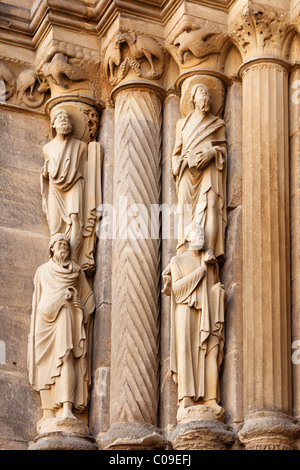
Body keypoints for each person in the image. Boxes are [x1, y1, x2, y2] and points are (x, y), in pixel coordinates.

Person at [27, 233, 95, 423]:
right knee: (49, 364)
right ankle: (48, 410)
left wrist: (81, 307)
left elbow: (88, 298)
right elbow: (40, 301)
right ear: (52, 248)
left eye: (66, 243)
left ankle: (67, 408)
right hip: (47, 322)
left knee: (66, 359)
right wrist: (60, 299)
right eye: (59, 243)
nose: (63, 246)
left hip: (68, 319)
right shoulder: (43, 271)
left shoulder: (76, 271)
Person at [162, 233, 226, 414]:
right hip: (186, 310)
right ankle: (187, 397)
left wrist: (218, 291)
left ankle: (211, 398)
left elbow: (213, 286)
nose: (200, 237)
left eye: (202, 234)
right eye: (195, 234)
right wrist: (200, 271)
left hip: (208, 311)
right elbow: (177, 289)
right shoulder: (178, 260)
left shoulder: (210, 263)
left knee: (210, 351)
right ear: (188, 238)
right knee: (186, 351)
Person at [172, 83, 227, 263]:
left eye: (208, 93)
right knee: (185, 208)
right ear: (193, 99)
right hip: (187, 170)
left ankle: (210, 248)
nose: (206, 95)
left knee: (211, 205)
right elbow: (176, 152)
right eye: (201, 92)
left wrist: (213, 153)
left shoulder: (218, 123)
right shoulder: (182, 124)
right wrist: (178, 166)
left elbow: (223, 149)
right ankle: (184, 249)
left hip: (210, 169)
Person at [41, 108, 87, 263]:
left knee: (75, 218)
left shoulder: (80, 146)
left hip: (75, 183)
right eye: (59, 117)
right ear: (53, 124)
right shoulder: (47, 148)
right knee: (55, 224)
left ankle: (73, 259)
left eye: (66, 117)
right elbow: (48, 172)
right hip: (55, 187)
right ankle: (56, 260)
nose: (64, 119)